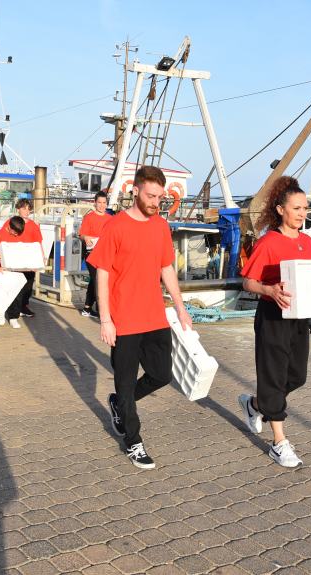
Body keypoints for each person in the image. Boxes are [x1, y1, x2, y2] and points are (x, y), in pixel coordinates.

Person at [88, 166, 192, 470]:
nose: (155, 202)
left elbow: (166, 268)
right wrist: (105, 319)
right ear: (135, 191)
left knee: (162, 375)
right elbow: (103, 273)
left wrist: (180, 306)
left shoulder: (160, 225)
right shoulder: (116, 226)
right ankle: (133, 441)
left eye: (160, 197)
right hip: (124, 318)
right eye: (150, 196)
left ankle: (121, 402)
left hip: (154, 316)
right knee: (124, 379)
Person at [238, 176, 311, 468]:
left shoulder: (307, 243)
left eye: (305, 208)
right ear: (281, 209)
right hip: (272, 316)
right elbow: (248, 282)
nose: (302, 213)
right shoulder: (269, 242)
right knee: (272, 377)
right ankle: (279, 443)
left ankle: (255, 404)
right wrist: (269, 290)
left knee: (297, 376)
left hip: (298, 317)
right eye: (297, 208)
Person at [0, 215, 31, 329]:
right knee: (3, 293)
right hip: (3, 270)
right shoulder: (0, 234)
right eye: (15, 232)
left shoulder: (20, 234)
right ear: (9, 227)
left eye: (19, 233)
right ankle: (1, 313)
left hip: (18, 269)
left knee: (17, 294)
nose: (17, 235)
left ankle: (14, 317)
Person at [79, 191, 112, 318]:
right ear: (95, 203)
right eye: (99, 202)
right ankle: (101, 309)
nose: (102, 205)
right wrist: (86, 237)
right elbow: (82, 235)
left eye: (104, 203)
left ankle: (87, 308)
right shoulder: (89, 217)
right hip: (91, 253)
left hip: (105, 253)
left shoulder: (111, 219)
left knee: (95, 280)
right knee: (98, 279)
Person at [12, 198, 42, 318]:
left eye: (28, 208)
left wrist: (41, 257)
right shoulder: (11, 223)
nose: (26, 211)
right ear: (18, 209)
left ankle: (23, 307)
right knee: (16, 286)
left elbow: (38, 242)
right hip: (15, 259)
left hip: (30, 260)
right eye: (24, 208)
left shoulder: (34, 226)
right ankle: (14, 309)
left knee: (28, 286)